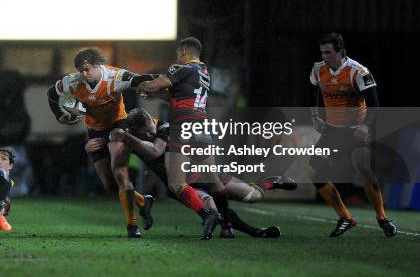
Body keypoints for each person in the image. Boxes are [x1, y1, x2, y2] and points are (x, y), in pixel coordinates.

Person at [104, 107, 297, 238]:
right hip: (182, 185)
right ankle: (256, 232)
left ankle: (269, 183)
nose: (148, 134)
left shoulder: (165, 128)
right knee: (213, 211)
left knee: (254, 196)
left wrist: (128, 137)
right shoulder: (133, 136)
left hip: (201, 172)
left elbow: (155, 151)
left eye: (149, 130)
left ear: (151, 122)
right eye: (144, 133)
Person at [47, 48, 157, 237]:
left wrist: (162, 84)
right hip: (95, 130)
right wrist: (59, 116)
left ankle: (132, 226)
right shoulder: (73, 81)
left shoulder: (115, 77)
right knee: (109, 184)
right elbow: (51, 93)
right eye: (80, 70)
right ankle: (142, 202)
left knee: (120, 175)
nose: (84, 74)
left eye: (87, 69)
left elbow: (143, 78)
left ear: (98, 65)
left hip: (118, 127)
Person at [137, 37, 233, 240]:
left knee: (176, 183)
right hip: (201, 129)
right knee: (213, 180)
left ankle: (207, 215)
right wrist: (156, 92)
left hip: (182, 128)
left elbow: (156, 85)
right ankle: (228, 226)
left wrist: (143, 85)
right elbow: (177, 95)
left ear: (183, 52)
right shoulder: (203, 72)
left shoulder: (181, 69)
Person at [309, 32, 396, 237]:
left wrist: (365, 126)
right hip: (332, 130)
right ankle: (346, 218)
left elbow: (374, 104)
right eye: (322, 52)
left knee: (363, 168)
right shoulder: (317, 69)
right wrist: (314, 115)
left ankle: (382, 217)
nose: (324, 56)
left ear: (340, 51)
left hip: (355, 129)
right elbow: (312, 93)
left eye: (328, 52)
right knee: (315, 172)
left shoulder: (358, 71)